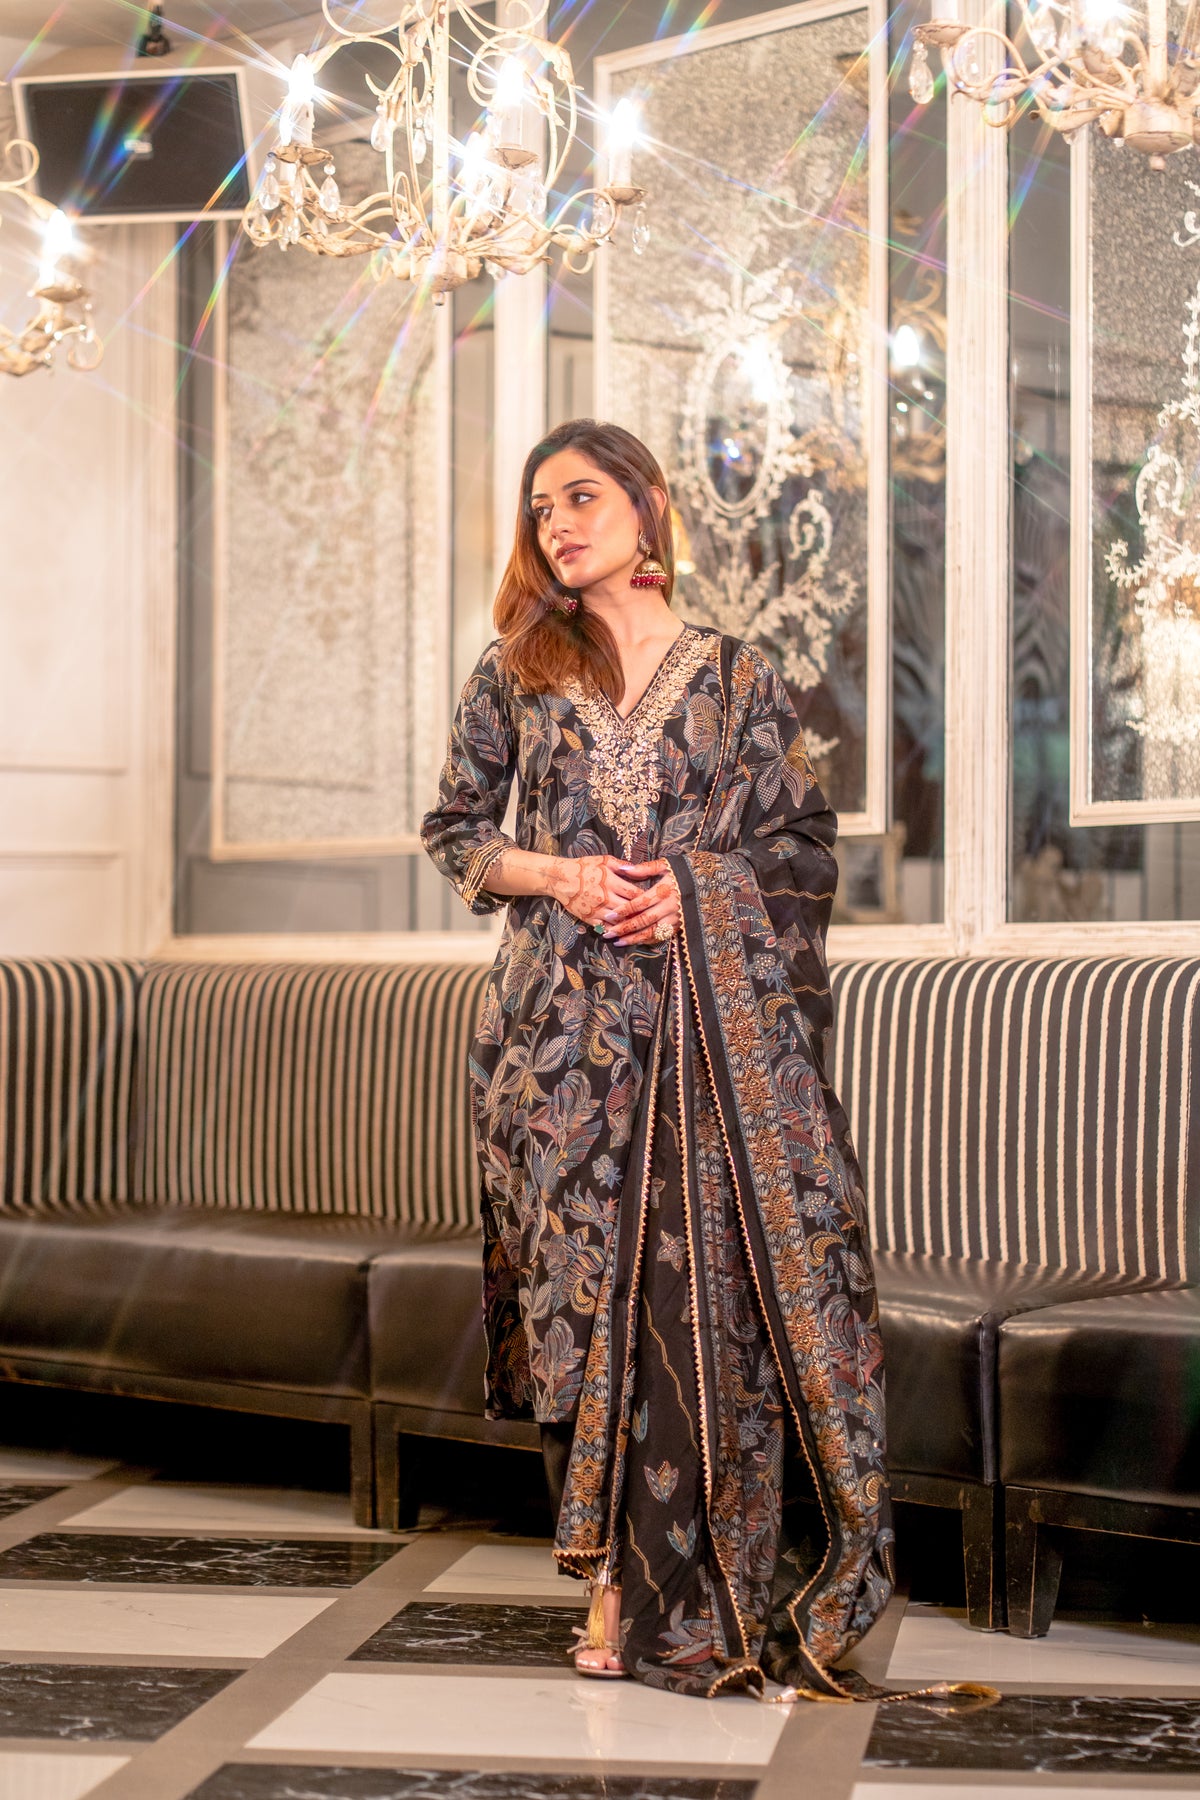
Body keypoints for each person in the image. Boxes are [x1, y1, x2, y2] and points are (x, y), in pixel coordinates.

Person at [421, 417, 892, 1700]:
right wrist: (558, 875)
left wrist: (697, 889)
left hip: (700, 1042)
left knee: (692, 1303)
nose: (557, 525)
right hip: (554, 1049)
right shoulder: (516, 670)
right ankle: (605, 1572)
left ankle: (663, 1590)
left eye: (580, 497)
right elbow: (455, 831)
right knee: (582, 1302)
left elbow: (803, 848)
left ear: (649, 502)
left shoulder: (739, 679)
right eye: (540, 509)